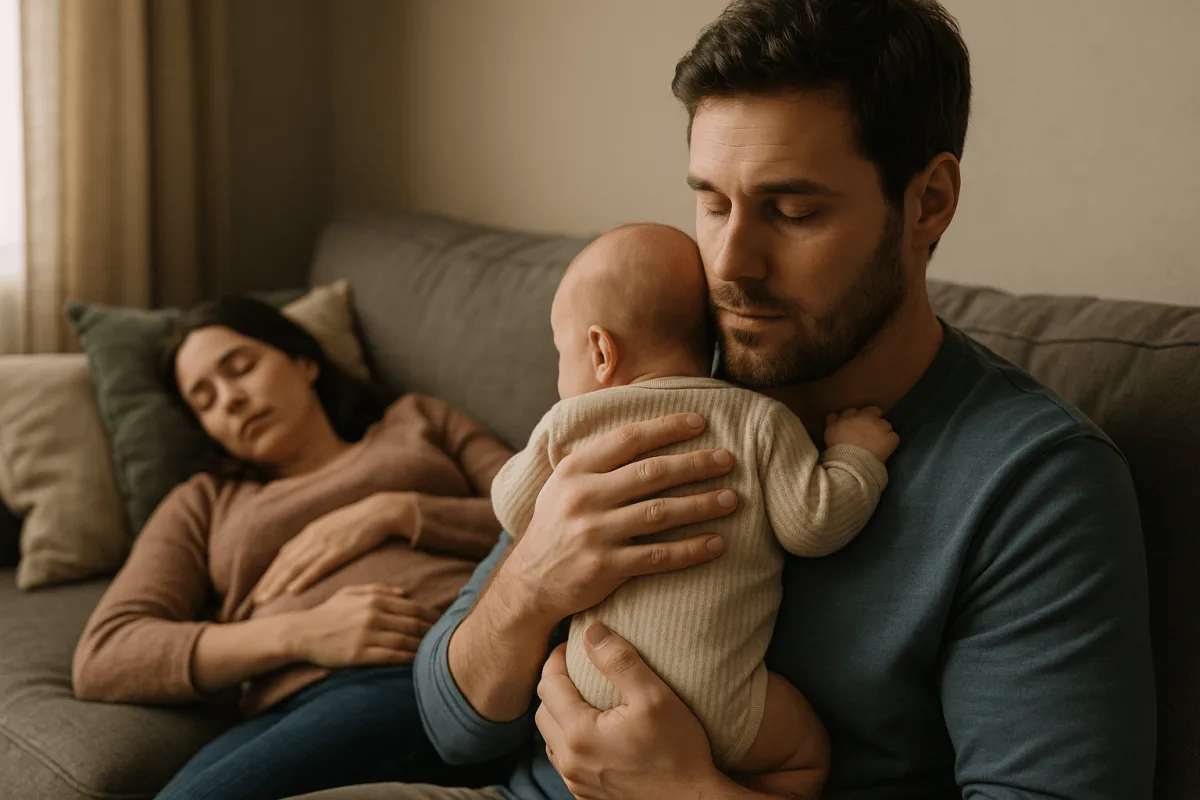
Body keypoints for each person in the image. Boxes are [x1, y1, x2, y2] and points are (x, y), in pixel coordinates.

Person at [289, 0, 1156, 798]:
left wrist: (691, 793)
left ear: (927, 203)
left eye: (791, 210)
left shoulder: (1034, 483)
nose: (731, 266)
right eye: (711, 203)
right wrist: (530, 584)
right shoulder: (665, 384)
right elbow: (449, 725)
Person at [490, 222, 898, 795]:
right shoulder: (759, 419)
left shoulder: (569, 424)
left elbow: (511, 507)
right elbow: (816, 524)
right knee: (804, 754)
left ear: (600, 350)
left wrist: (543, 456)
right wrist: (856, 454)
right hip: (727, 706)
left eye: (563, 354)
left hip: (587, 691)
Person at [72, 296, 514, 800]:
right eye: (205, 400)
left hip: (426, 668)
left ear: (304, 363)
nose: (230, 400)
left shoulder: (417, 422)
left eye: (240, 368)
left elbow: (542, 511)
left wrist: (396, 512)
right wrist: (301, 635)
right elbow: (107, 654)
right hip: (282, 704)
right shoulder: (206, 501)